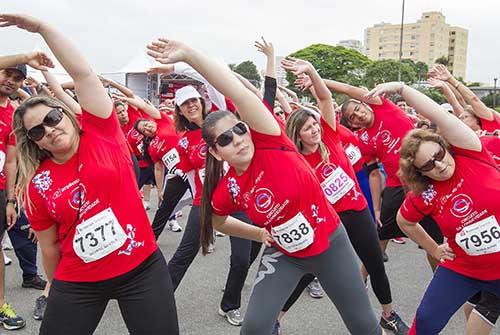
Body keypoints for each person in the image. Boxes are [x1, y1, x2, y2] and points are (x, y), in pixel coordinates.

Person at [147, 38, 385, 335]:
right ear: (216, 153)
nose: (236, 139)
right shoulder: (229, 187)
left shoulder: (272, 142)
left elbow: (236, 91)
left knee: (364, 326)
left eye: (238, 129)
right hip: (284, 254)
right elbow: (218, 219)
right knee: (254, 328)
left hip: (331, 245)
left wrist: (189, 57)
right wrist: (258, 232)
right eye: (224, 139)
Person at [1, 13, 178, 334]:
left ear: (66, 113)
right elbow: (50, 248)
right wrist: (56, 289)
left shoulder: (101, 130)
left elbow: (81, 73)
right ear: (34, 142)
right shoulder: (38, 183)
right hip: (78, 280)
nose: (48, 130)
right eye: (37, 131)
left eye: (52, 118)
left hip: (141, 269)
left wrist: (42, 28)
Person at [280, 58, 408, 334]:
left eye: (315, 124)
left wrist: (312, 71)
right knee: (308, 272)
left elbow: (325, 97)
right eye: (308, 129)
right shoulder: (296, 159)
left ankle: (388, 314)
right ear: (298, 135)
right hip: (328, 220)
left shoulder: (330, 135)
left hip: (357, 211)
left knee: (375, 263)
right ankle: (274, 319)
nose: (314, 130)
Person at [361, 81, 500, 335]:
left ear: (444, 146)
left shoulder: (471, 153)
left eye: (438, 155)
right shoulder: (425, 193)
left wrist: (402, 89)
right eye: (427, 166)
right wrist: (435, 248)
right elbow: (405, 222)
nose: (438, 165)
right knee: (425, 322)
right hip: (464, 268)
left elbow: (438, 115)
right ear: (420, 173)